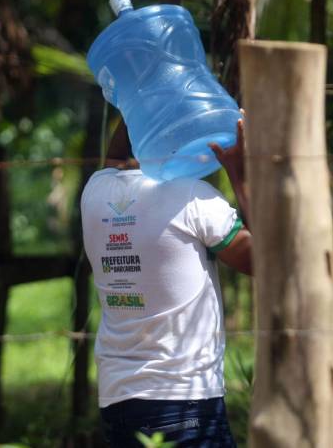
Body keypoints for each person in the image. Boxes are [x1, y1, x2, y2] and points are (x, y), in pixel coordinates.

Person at [80, 115, 252, 447]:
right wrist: (240, 174)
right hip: (185, 402)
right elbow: (259, 259)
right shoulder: (192, 197)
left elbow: (116, 157)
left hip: (117, 400)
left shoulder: (96, 192)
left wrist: (140, 98)